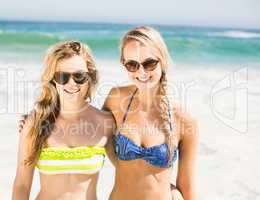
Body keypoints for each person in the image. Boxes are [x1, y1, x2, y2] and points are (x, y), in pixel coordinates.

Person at [103, 26, 199, 200]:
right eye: (132, 65)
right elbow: (98, 136)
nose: (141, 72)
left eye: (149, 63)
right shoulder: (116, 98)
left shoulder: (183, 118)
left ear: (162, 61)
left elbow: (187, 185)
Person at [12, 41, 114, 200]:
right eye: (62, 77)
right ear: (52, 80)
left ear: (90, 77)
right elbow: (22, 185)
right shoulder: (35, 123)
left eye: (79, 76)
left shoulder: (106, 123)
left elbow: (128, 173)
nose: (71, 83)